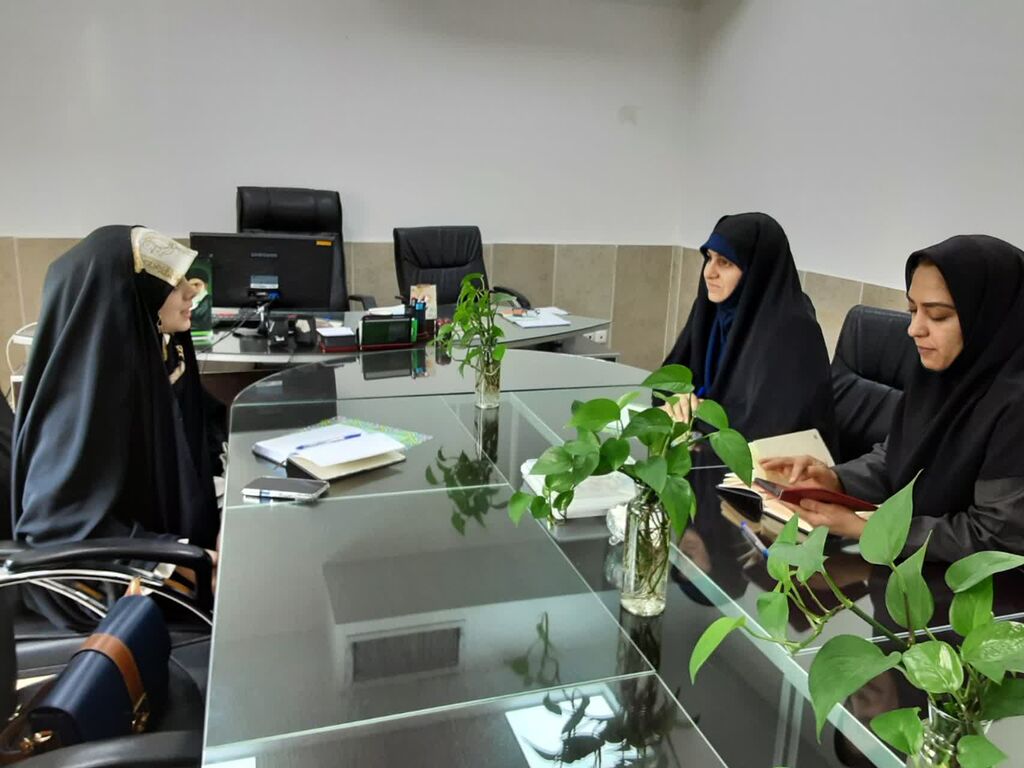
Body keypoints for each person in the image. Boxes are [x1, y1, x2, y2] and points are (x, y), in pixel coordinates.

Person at [762, 235, 1024, 562]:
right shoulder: (940, 374)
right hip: (909, 568)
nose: (914, 329)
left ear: (989, 318)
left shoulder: (1015, 403)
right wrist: (835, 479)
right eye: (912, 310)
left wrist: (869, 530)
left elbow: (996, 535)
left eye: (937, 315)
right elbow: (899, 458)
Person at [12, 225, 221, 557]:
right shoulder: (82, 402)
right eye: (172, 283)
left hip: (180, 541)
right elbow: (57, 527)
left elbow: (206, 423)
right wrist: (183, 558)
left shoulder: (158, 354)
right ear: (127, 297)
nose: (191, 291)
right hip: (127, 576)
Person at [661, 212, 838, 451]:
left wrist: (698, 415)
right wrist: (680, 400)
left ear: (756, 270)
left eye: (725, 263)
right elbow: (668, 379)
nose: (709, 272)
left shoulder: (793, 329)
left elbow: (773, 428)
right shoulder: (712, 309)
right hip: (706, 450)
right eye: (709, 258)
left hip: (777, 464)